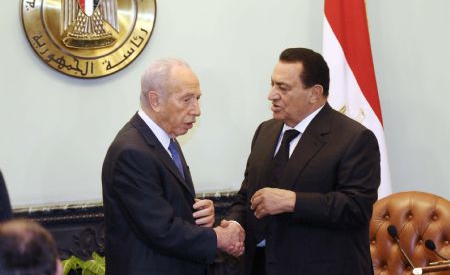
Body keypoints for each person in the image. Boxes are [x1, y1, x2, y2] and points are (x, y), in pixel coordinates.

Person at [225, 48, 381, 275]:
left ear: (314, 93)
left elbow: (356, 207)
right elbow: (248, 194)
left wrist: (294, 201)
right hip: (260, 266)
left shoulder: (354, 138)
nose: (271, 95)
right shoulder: (265, 132)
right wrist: (235, 224)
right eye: (272, 84)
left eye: (283, 88)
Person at [102, 58, 244, 275]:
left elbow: (165, 203)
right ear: (155, 100)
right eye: (186, 100)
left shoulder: (165, 139)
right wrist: (218, 238)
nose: (196, 110)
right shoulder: (131, 152)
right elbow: (161, 230)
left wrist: (198, 213)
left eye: (197, 99)